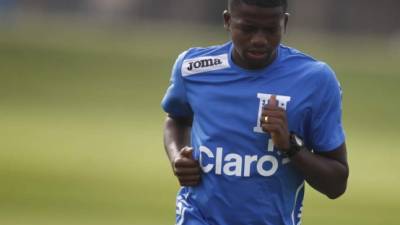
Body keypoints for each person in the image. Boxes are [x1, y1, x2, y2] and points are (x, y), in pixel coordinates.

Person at [161, 0, 349, 224]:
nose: (259, 40)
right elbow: (176, 119)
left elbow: (336, 183)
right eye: (248, 28)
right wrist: (177, 156)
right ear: (228, 21)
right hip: (197, 217)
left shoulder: (315, 81)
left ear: (285, 22)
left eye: (271, 29)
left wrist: (290, 147)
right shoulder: (193, 70)